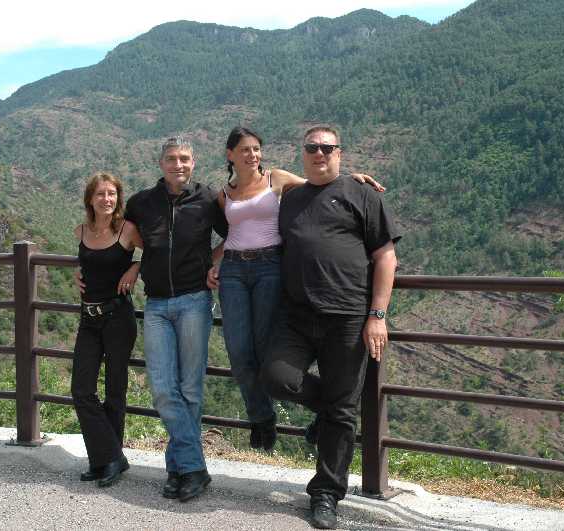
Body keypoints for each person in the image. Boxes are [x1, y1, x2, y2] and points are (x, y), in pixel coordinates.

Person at [207, 126, 384, 452]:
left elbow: (322, 187)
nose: (253, 155)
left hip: (269, 268)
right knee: (238, 352)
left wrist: (353, 177)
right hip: (233, 270)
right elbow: (233, 233)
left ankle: (326, 410)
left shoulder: (278, 178)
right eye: (245, 149)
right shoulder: (224, 193)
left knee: (263, 350)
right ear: (230, 154)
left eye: (256, 148)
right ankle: (261, 417)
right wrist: (212, 262)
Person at [263, 126, 400, 530]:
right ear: (302, 154)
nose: (319, 153)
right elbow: (265, 176)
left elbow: (385, 256)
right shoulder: (291, 196)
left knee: (342, 409)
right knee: (276, 377)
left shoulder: (363, 195)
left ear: (341, 153)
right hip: (296, 316)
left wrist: (377, 315)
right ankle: (332, 411)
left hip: (347, 318)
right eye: (312, 148)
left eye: (327, 147)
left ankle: (326, 493)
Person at [121, 136, 228, 502]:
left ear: (193, 162)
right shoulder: (141, 203)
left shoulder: (208, 199)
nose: (178, 165)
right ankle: (195, 467)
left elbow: (238, 234)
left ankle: (177, 468)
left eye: (184, 159)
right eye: (171, 159)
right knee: (164, 389)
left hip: (195, 300)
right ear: (160, 162)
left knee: (190, 390)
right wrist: (135, 264)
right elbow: (121, 236)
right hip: (156, 305)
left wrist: (214, 261)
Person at [71, 172, 143, 488]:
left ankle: (106, 460)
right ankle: (111, 455)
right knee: (81, 389)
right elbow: (86, 263)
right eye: (100, 194)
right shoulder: (81, 230)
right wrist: (77, 273)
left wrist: (135, 266)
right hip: (88, 319)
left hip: (117, 317)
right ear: (90, 199)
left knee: (115, 390)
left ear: (118, 197)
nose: (107, 199)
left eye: (112, 193)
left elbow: (152, 252)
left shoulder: (126, 230)